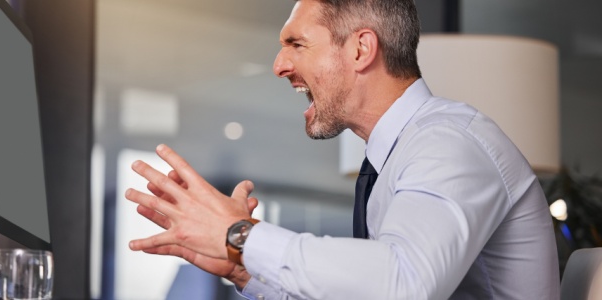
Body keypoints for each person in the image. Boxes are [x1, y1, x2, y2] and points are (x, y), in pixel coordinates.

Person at [124, 0, 560, 298]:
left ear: (360, 49)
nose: (279, 65)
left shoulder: (449, 142)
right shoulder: (392, 159)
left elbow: (405, 284)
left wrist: (240, 235)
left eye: (296, 44)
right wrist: (244, 267)